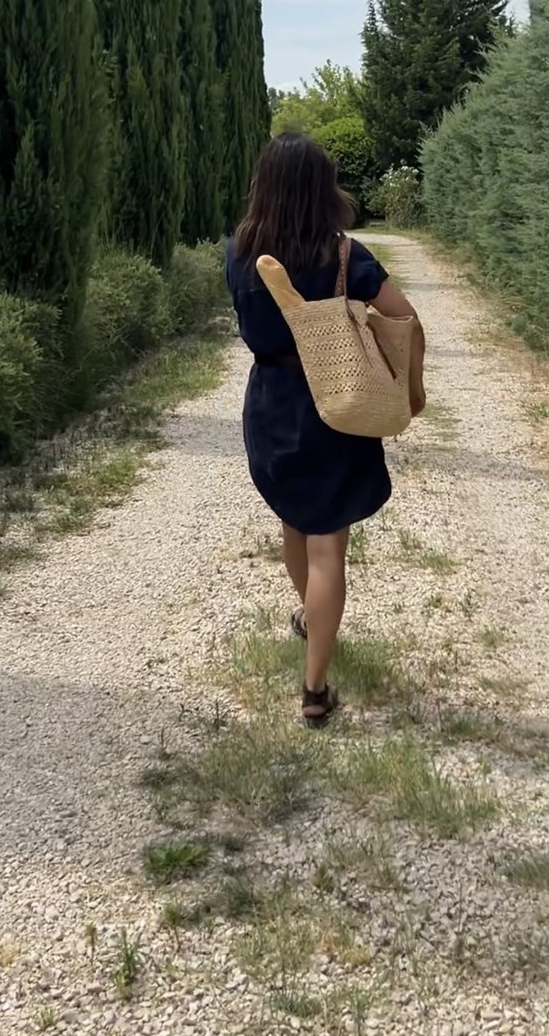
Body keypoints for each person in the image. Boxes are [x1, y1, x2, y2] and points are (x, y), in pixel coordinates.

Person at [225, 133, 426, 728]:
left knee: (295, 522)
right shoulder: (342, 255)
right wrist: (405, 380)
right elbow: (404, 316)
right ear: (322, 188)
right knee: (327, 546)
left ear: (264, 184)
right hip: (335, 408)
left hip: (271, 405)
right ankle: (314, 689)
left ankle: (312, 617)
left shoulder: (239, 251)